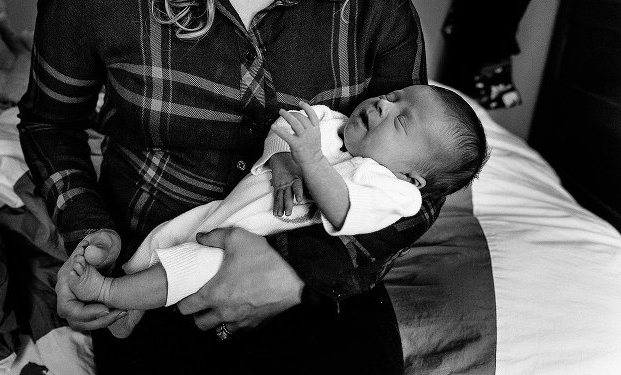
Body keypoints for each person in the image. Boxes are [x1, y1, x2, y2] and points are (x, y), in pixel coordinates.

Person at [18, 0, 439, 373]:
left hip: (326, 290)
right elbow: (50, 125)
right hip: (152, 279)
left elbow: (425, 182)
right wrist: (88, 229)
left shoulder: (377, 6)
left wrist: (299, 274)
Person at [67, 85, 487, 328]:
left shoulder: (395, 192)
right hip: (224, 209)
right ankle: (127, 306)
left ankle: (108, 293)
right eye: (394, 96)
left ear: (414, 176)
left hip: (247, 245)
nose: (383, 105)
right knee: (166, 236)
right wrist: (285, 158)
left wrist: (310, 159)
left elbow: (343, 208)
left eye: (400, 120)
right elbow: (282, 128)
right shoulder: (331, 122)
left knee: (188, 266)